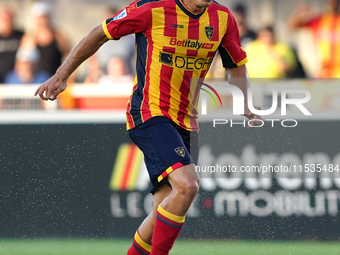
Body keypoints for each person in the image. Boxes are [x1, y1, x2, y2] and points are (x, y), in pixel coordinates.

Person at [34, 0, 261, 254]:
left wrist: (244, 102)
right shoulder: (152, 8)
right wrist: (62, 75)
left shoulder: (222, 18)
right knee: (188, 186)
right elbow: (100, 33)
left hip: (187, 121)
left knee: (164, 208)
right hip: (150, 113)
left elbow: (235, 64)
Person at [287, 0, 340, 78]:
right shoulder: (319, 20)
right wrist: (299, 13)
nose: (333, 3)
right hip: (324, 71)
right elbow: (292, 26)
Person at [21, 1, 70, 77]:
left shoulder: (58, 36)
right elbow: (22, 63)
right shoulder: (29, 38)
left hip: (56, 80)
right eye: (40, 17)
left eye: (44, 17)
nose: (43, 20)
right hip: (36, 82)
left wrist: (69, 75)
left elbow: (69, 56)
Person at [0, 7, 24, 83]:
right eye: (5, 19)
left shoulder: (21, 36)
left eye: (9, 18)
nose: (7, 21)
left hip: (17, 78)